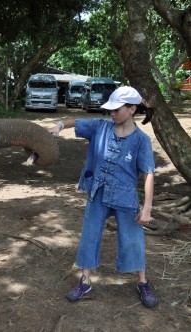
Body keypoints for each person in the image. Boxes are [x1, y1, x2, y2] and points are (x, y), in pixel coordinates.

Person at [48, 86, 157, 308]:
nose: (112, 113)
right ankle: (85, 281)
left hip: (125, 198)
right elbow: (75, 123)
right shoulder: (101, 127)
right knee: (89, 235)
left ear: (132, 109)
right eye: (111, 109)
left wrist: (147, 208)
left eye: (117, 109)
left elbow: (148, 174)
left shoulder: (141, 141)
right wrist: (59, 125)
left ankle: (143, 282)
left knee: (133, 239)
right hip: (98, 193)